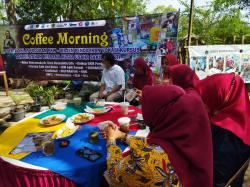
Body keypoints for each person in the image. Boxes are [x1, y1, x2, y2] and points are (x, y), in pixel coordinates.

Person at [104, 85, 213, 187]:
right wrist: (123, 136)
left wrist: (111, 141)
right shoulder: (194, 140)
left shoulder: (147, 162)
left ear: (158, 115)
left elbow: (113, 174)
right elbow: (156, 145)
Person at [195, 73, 250, 187]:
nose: (201, 104)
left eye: (205, 99)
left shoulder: (227, 135)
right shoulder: (241, 121)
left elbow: (217, 177)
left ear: (219, 98)